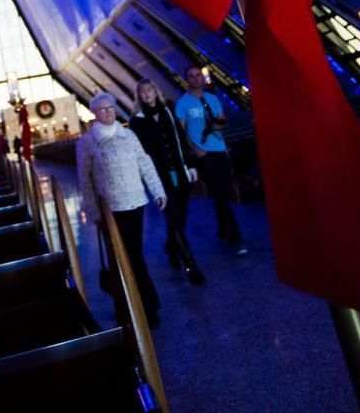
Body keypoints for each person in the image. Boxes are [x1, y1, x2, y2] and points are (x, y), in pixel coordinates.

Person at [77, 91, 167, 327]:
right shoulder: (87, 142)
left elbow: (144, 162)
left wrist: (158, 191)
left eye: (111, 108)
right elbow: (85, 181)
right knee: (119, 258)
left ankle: (147, 306)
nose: (108, 112)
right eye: (102, 109)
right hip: (110, 209)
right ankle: (130, 307)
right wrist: (95, 213)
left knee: (135, 255)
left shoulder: (128, 134)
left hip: (135, 203)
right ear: (94, 113)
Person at [129, 79, 206, 285]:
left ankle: (171, 246)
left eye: (150, 89)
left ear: (156, 92)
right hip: (159, 178)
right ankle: (191, 266)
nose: (147, 94)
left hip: (180, 172)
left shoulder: (168, 112)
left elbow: (181, 138)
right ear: (139, 95)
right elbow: (140, 154)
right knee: (173, 217)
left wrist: (190, 165)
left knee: (181, 216)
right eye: (142, 91)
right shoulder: (137, 121)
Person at [175, 66, 249, 256]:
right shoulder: (182, 103)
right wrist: (197, 151)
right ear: (187, 79)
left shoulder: (212, 99)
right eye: (191, 76)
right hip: (204, 154)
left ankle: (223, 229)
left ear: (201, 77)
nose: (195, 78)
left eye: (197, 75)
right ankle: (235, 238)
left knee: (223, 193)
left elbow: (221, 120)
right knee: (220, 194)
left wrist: (219, 123)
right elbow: (182, 132)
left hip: (220, 149)